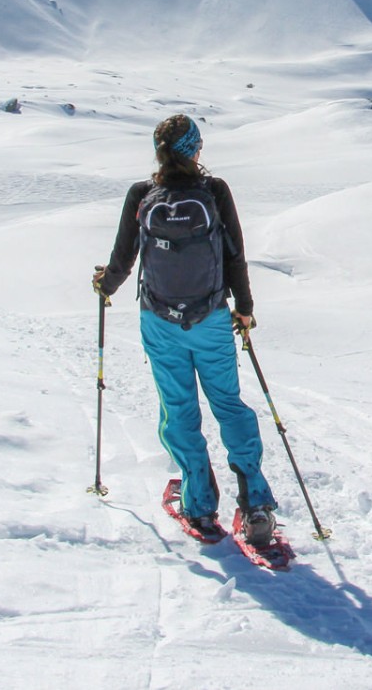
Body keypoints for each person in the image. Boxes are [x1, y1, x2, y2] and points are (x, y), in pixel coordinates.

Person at [92, 114, 279, 547]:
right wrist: (244, 309)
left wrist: (106, 285)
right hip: (211, 318)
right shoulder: (214, 192)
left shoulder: (142, 195)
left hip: (159, 322)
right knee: (228, 406)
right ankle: (255, 507)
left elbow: (123, 257)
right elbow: (235, 253)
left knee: (178, 411)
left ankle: (198, 505)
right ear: (196, 150)